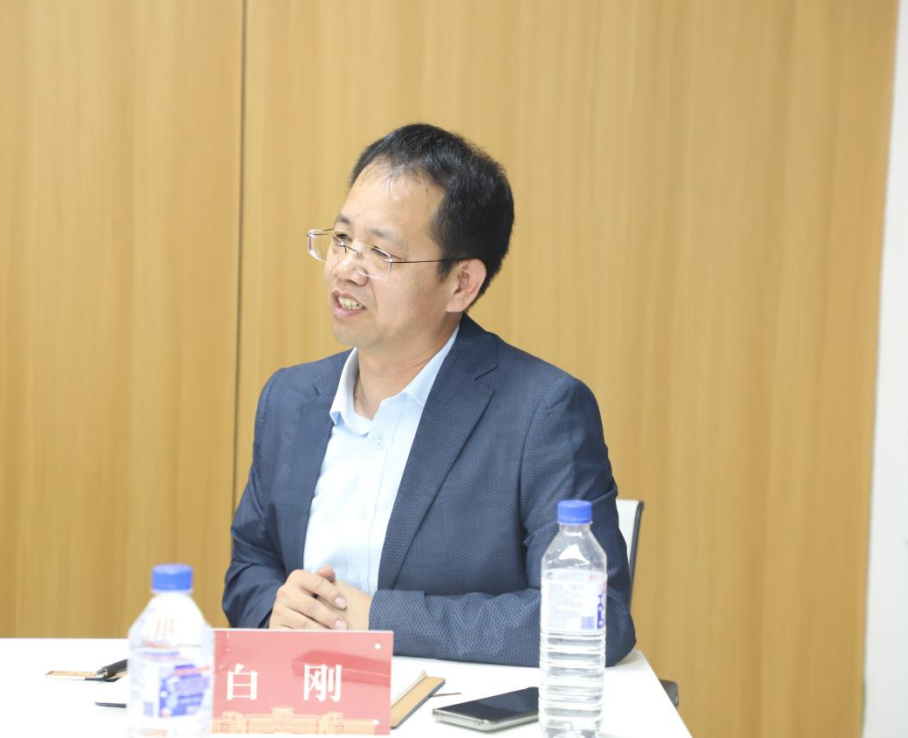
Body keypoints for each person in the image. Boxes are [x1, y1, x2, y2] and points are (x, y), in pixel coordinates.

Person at [222, 123, 636, 667]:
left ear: (461, 284)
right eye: (342, 239)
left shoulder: (542, 412)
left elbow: (596, 617)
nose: (345, 269)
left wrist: (381, 620)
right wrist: (275, 609)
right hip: (307, 699)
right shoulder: (290, 399)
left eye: (381, 253)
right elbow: (250, 566)